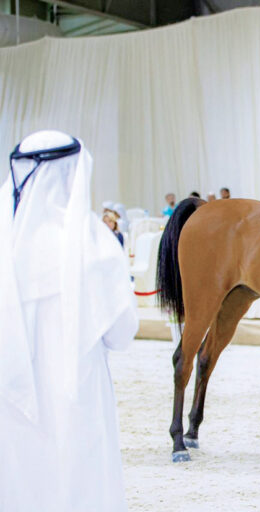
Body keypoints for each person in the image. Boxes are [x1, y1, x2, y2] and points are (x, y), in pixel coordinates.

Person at [0, 130, 138, 511]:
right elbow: (122, 333)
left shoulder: (5, 244)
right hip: (76, 393)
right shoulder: (92, 243)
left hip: (11, 399)